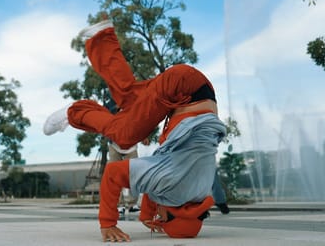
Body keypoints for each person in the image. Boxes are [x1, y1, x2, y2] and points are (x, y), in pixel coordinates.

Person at [44, 19, 226, 242]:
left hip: (193, 87)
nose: (158, 216)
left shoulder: (196, 193)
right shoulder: (173, 188)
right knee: (124, 136)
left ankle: (102, 38)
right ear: (172, 213)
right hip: (180, 90)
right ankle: (75, 112)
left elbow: (156, 183)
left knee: (128, 96)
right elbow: (113, 175)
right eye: (161, 218)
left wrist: (147, 214)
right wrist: (108, 223)